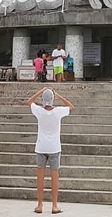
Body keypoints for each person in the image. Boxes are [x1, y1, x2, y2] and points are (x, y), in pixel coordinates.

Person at [25, 87, 74, 215]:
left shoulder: (39, 111)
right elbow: (71, 106)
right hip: (54, 147)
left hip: (41, 146)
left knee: (40, 177)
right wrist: (58, 96)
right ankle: (54, 205)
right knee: (54, 177)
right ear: (52, 100)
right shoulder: (58, 112)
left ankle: (40, 204)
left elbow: (29, 101)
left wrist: (40, 91)